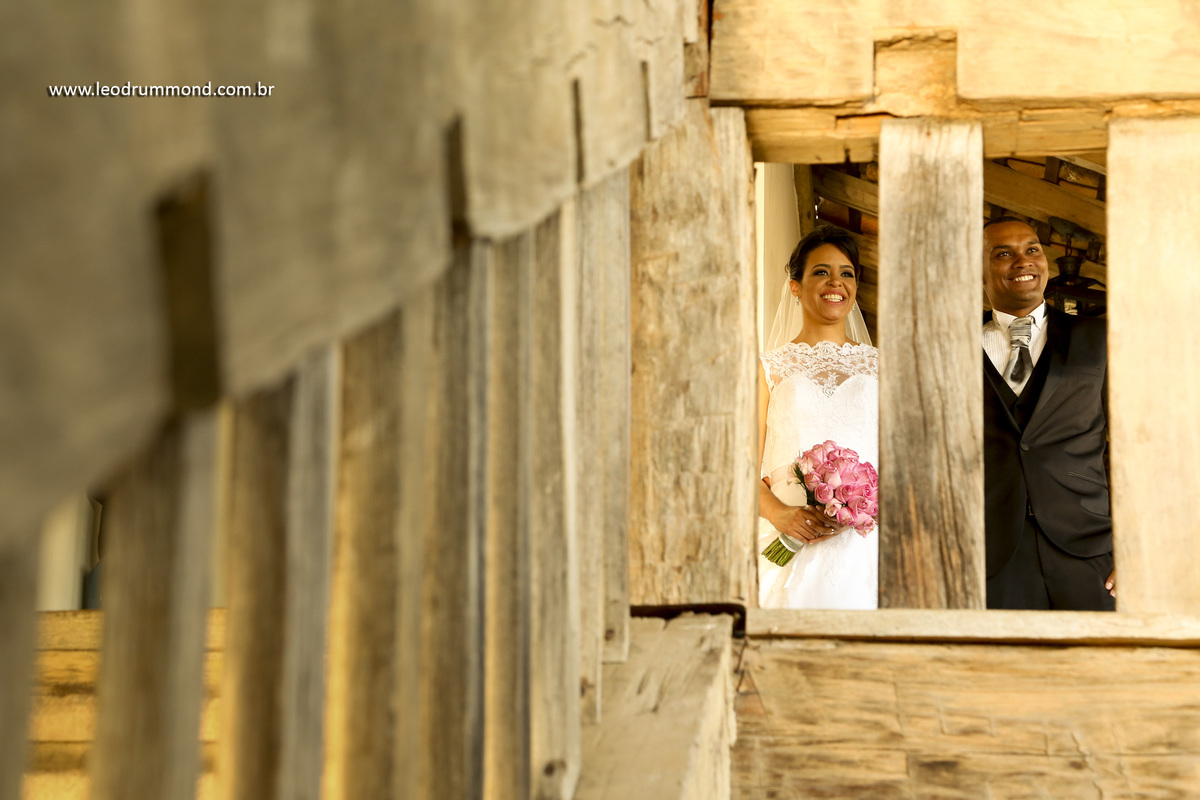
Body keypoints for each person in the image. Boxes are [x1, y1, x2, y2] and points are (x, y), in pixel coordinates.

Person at [981, 217, 1116, 610]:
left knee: (1101, 667)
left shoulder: (1099, 338)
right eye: (1003, 253)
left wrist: (1135, 545)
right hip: (990, 552)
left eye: (1032, 249)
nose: (1022, 261)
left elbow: (1137, 446)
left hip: (1090, 546)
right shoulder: (948, 346)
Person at [757, 224, 878, 609]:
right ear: (795, 286)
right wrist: (781, 516)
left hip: (868, 545)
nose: (836, 283)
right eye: (821, 272)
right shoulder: (766, 369)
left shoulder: (882, 367)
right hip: (789, 538)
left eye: (847, 274)